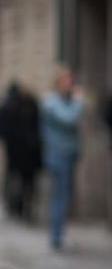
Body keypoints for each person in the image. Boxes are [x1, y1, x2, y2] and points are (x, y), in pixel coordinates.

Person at [40, 65, 85, 249]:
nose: (70, 83)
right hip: (59, 157)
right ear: (58, 82)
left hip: (66, 155)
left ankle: (58, 235)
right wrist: (78, 101)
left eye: (71, 80)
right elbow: (70, 119)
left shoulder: (61, 101)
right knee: (60, 197)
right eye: (66, 80)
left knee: (62, 197)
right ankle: (56, 238)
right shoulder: (52, 103)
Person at [0, 80, 42, 221]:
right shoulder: (25, 105)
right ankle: (21, 207)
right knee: (25, 181)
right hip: (26, 152)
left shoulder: (8, 105)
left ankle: (14, 206)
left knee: (14, 179)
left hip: (16, 151)